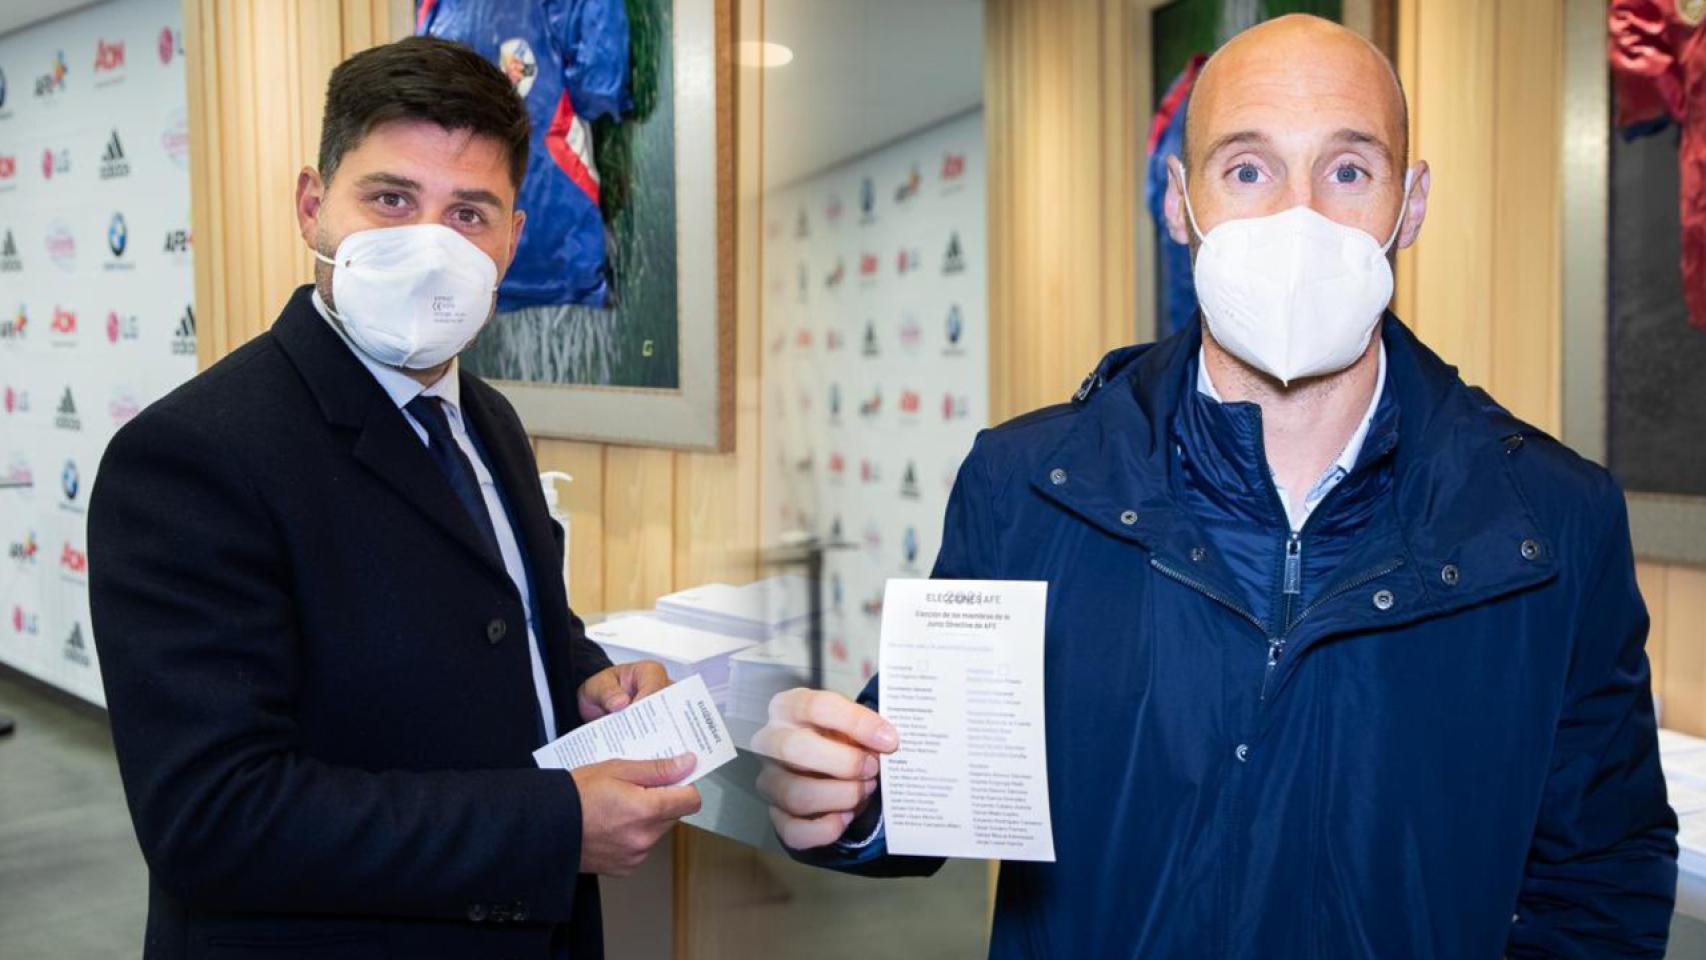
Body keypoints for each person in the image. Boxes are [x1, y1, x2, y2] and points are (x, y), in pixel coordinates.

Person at [755, 14, 1678, 958]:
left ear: (1410, 205)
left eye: (1348, 171)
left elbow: (1600, 880)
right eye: (1249, 169)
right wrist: (852, 802)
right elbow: (925, 783)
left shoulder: (1554, 524)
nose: (1298, 218)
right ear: (1179, 201)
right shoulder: (1025, 483)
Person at [88, 36, 697, 960]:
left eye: (469, 213)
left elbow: (516, 622)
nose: (429, 247)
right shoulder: (192, 456)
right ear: (311, 206)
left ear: (512, 242)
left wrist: (588, 681)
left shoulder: (486, 418)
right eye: (390, 199)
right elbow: (212, 816)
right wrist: (549, 827)